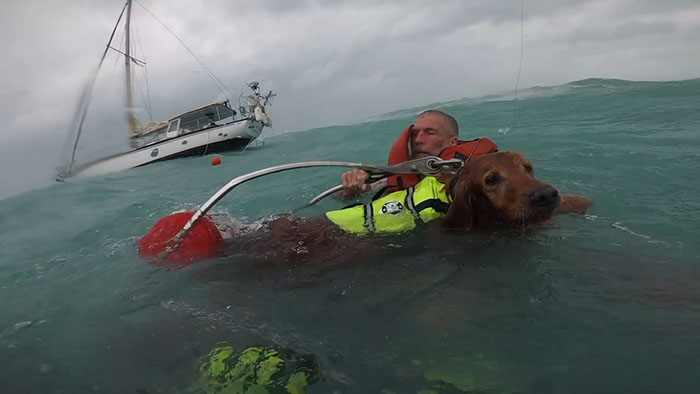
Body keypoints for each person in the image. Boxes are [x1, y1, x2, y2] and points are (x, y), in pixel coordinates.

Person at [340, 109, 460, 198]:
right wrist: (353, 188)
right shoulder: (396, 175)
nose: (418, 140)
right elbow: (343, 197)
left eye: (430, 132)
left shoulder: (467, 173)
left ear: (452, 142)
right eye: (414, 134)